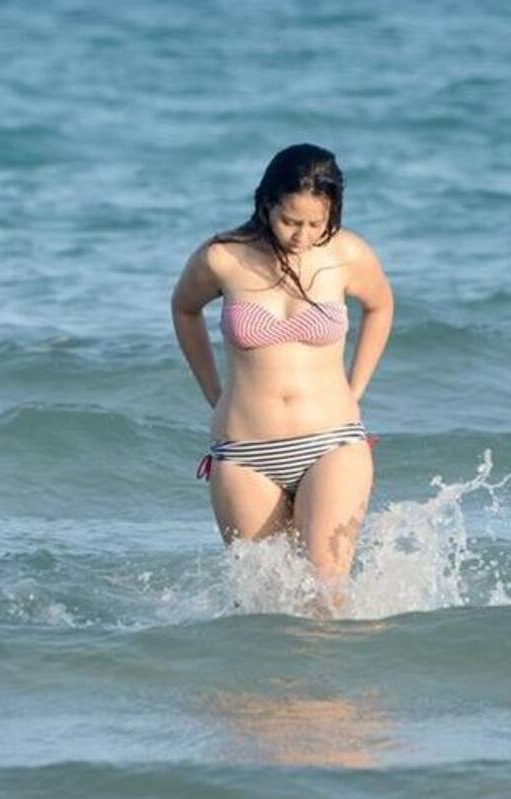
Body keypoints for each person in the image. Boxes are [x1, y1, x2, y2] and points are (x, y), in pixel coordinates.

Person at [172, 143, 394, 600]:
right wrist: (213, 392)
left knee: (327, 592)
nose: (302, 235)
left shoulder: (346, 253)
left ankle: (334, 674)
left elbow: (380, 306)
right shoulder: (223, 257)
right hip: (245, 454)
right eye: (290, 221)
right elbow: (184, 309)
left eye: (316, 222)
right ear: (266, 202)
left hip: (331, 442)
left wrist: (356, 387)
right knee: (263, 604)